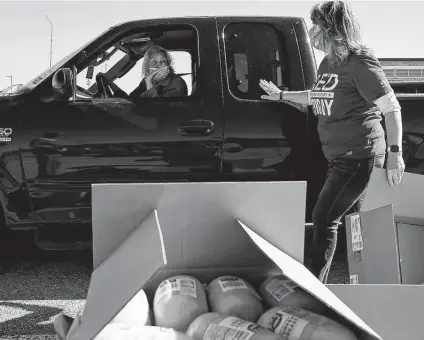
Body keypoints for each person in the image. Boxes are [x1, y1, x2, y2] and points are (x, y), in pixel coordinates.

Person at [259, 0, 405, 283]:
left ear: (332, 29)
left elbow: (392, 107)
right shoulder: (328, 63)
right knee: (354, 221)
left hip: (359, 156)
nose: (312, 32)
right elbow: (316, 97)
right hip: (340, 157)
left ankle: (316, 288)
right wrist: (281, 96)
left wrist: (394, 154)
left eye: (317, 26)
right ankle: (368, 284)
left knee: (325, 218)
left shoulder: (359, 61)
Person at [98, 45, 187, 99]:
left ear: (168, 64)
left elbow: (156, 111)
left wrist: (150, 84)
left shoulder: (177, 84)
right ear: (147, 66)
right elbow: (131, 100)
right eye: (154, 62)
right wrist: (109, 82)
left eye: (163, 61)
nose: (159, 66)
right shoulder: (147, 80)